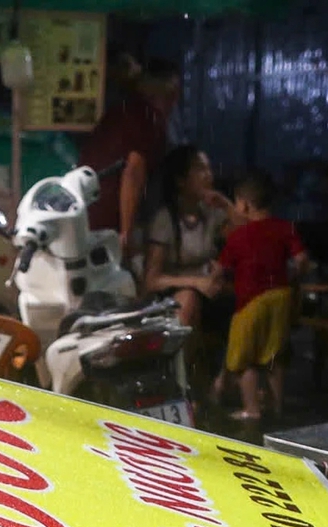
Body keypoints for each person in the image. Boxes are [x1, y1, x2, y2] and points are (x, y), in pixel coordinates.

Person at [212, 172, 311, 421]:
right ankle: (277, 408)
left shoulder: (238, 236)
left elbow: (219, 271)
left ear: (244, 204)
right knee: (273, 356)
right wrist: (292, 277)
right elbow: (301, 260)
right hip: (280, 297)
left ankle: (251, 409)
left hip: (250, 302)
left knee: (244, 359)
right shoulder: (284, 227)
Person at [79, 57, 182, 249]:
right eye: (171, 95)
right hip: (107, 217)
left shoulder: (120, 111)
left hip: (85, 210)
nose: (173, 103)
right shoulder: (148, 118)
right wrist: (126, 233)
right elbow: (133, 172)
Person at [143, 144, 231, 328]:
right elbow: (152, 280)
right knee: (188, 299)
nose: (208, 175)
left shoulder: (212, 213)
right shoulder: (165, 220)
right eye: (200, 169)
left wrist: (226, 205)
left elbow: (250, 234)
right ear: (180, 180)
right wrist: (196, 282)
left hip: (210, 289)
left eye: (208, 168)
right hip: (173, 293)